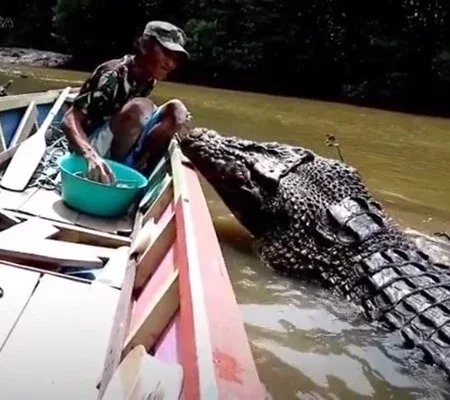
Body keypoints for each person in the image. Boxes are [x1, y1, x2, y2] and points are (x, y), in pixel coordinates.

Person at [62, 20, 191, 184]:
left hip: (121, 135)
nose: (170, 64)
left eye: (175, 59)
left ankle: (137, 165)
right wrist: (91, 156)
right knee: (140, 107)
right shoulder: (112, 76)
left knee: (178, 111)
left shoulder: (149, 78)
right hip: (93, 145)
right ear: (144, 45)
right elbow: (68, 119)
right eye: (165, 53)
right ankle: (115, 168)